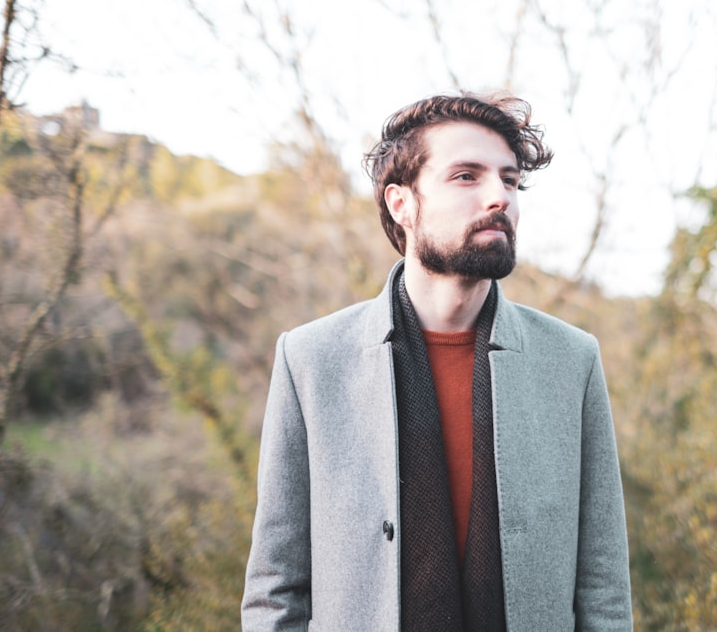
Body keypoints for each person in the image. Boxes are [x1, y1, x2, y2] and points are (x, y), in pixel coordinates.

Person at [241, 93, 632, 631]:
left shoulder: (572, 362)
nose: (499, 197)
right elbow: (275, 591)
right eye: (467, 176)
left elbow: (604, 590)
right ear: (401, 203)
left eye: (510, 180)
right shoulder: (311, 360)